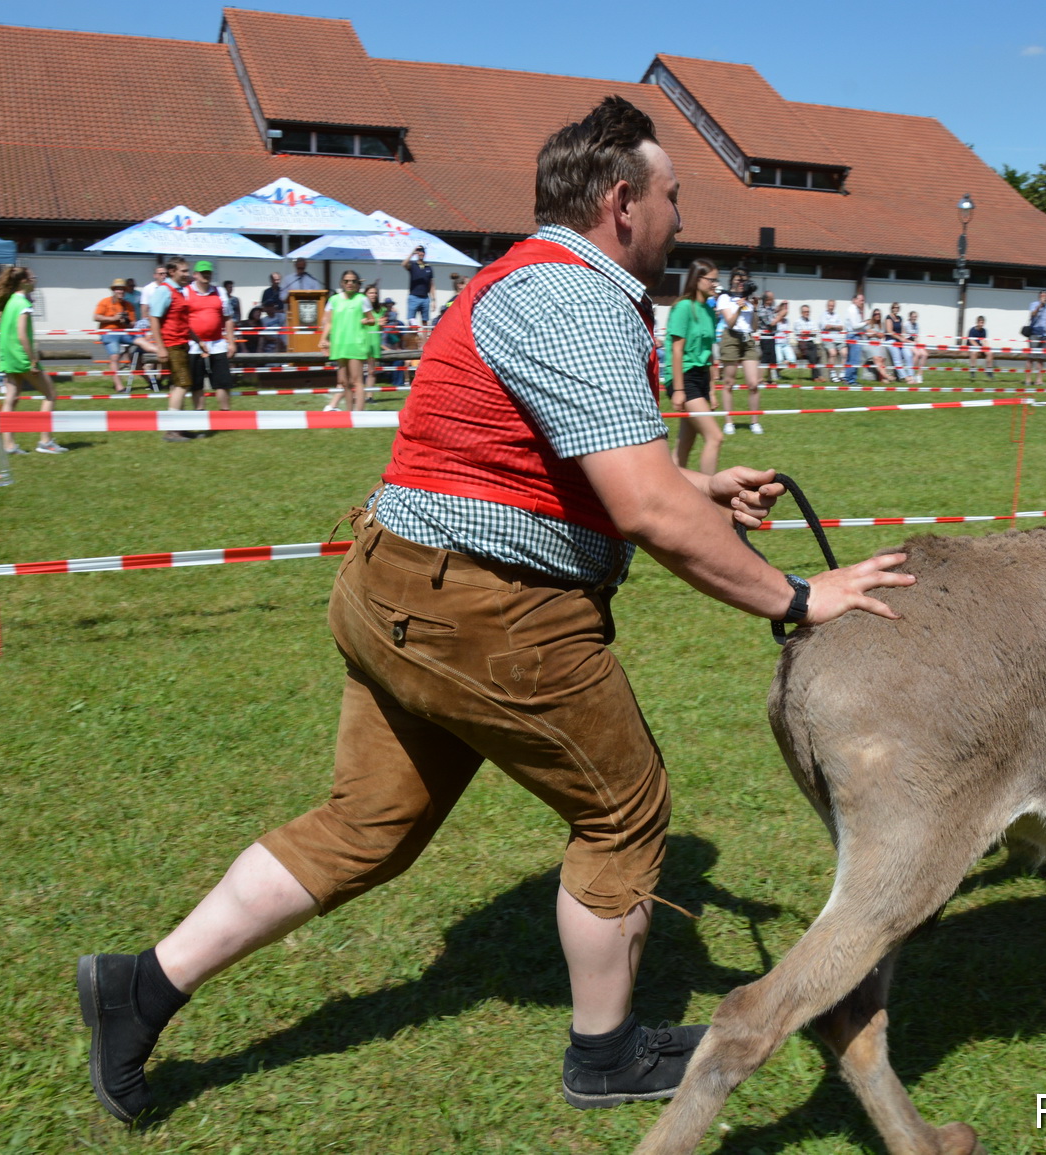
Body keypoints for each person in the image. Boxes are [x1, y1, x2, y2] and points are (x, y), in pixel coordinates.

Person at [75, 95, 914, 1128]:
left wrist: (702, 488)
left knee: (363, 825)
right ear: (621, 203)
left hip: (399, 585)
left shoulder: (522, 280)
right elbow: (642, 506)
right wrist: (797, 592)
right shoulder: (579, 299)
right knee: (623, 810)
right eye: (672, 198)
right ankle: (604, 1057)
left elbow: (556, 465)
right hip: (488, 612)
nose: (679, 220)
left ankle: (140, 988)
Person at [0, 266, 66, 455]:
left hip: (7, 356)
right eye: (33, 278)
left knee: (11, 398)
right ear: (24, 281)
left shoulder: (10, 301)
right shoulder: (23, 303)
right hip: (22, 357)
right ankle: (45, 441)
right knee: (50, 394)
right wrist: (33, 360)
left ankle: (9, 445)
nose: (35, 280)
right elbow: (22, 335)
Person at [667, 257, 723, 474]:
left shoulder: (709, 311)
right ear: (698, 279)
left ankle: (669, 492)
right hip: (684, 377)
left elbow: (708, 354)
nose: (715, 285)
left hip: (701, 378)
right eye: (712, 280)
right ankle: (711, 494)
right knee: (715, 437)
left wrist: (712, 390)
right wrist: (679, 390)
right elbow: (677, 350)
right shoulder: (683, 308)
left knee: (685, 443)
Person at [144, 259, 198, 442]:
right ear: (172, 271)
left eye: (187, 271)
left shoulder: (179, 291)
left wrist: (198, 340)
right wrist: (160, 347)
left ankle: (179, 428)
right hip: (172, 344)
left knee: (177, 385)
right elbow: (154, 319)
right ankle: (172, 430)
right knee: (183, 383)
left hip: (182, 343)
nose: (187, 274)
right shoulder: (164, 291)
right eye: (183, 271)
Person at [319, 270, 377, 411]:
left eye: (353, 281)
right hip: (339, 344)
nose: (349, 284)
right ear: (341, 283)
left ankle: (359, 414)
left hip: (356, 344)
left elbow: (372, 320)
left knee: (356, 381)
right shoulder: (333, 300)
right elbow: (328, 322)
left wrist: (367, 321)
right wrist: (323, 339)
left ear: (357, 284)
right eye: (346, 281)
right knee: (344, 382)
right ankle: (350, 413)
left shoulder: (362, 299)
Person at [182, 261, 235, 412]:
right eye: (203, 272)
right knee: (196, 383)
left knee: (223, 382)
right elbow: (182, 320)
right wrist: (195, 340)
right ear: (195, 275)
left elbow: (228, 318)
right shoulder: (185, 292)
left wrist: (231, 343)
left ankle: (225, 413)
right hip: (194, 345)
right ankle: (199, 414)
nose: (206, 275)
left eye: (208, 272)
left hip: (218, 343)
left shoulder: (220, 292)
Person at [715, 268, 762, 434]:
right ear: (732, 281)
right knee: (729, 382)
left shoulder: (748, 300)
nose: (741, 283)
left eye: (744, 280)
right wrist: (738, 307)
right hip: (731, 338)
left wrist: (754, 309)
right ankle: (729, 422)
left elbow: (754, 327)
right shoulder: (725, 298)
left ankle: (754, 421)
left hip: (748, 339)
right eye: (738, 280)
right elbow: (730, 323)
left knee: (754, 383)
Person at [94, 279, 137, 391]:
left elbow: (133, 324)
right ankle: (119, 385)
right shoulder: (105, 302)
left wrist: (126, 321)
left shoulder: (128, 305)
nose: (120, 291)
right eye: (118, 289)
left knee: (142, 345)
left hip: (124, 332)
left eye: (122, 289)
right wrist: (113, 318)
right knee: (114, 356)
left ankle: (153, 381)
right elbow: (96, 317)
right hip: (109, 333)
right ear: (113, 290)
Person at [1023, 289, 1046, 388]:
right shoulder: (1034, 304)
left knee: (1041, 359)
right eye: (1043, 295)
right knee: (1031, 358)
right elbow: (1032, 314)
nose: (1045, 296)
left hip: (1044, 334)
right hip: (1034, 332)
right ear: (1039, 296)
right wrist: (1040, 305)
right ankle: (1028, 379)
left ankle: (1039, 380)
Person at [403, 246, 434, 328]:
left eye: (422, 252)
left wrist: (433, 300)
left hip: (425, 298)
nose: (421, 253)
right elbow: (403, 264)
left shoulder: (428, 267)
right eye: (419, 251)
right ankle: (412, 340)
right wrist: (412, 253)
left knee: (425, 321)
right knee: (412, 321)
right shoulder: (413, 265)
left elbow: (432, 285)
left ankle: (424, 340)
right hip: (414, 297)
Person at [819, 298, 847, 379]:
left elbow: (841, 327)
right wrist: (835, 327)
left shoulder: (837, 315)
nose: (831, 307)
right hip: (828, 338)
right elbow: (826, 327)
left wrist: (832, 326)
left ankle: (842, 372)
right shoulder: (823, 315)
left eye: (833, 306)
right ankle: (832, 373)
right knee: (833, 353)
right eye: (830, 305)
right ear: (827, 306)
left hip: (838, 338)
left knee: (845, 353)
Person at [842, 292, 867, 384]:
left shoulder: (855, 310)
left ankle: (847, 378)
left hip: (853, 335)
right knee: (855, 359)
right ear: (855, 300)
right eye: (861, 300)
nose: (862, 302)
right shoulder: (852, 310)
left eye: (863, 300)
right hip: (853, 336)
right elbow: (855, 326)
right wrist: (866, 323)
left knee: (850, 359)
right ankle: (851, 380)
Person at [793, 303, 821, 380]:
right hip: (802, 343)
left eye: (808, 311)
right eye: (805, 311)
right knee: (812, 355)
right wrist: (809, 332)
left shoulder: (812, 321)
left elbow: (815, 332)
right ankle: (816, 376)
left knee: (815, 353)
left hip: (811, 342)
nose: (807, 313)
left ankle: (816, 376)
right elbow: (801, 334)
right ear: (801, 313)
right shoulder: (797, 322)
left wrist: (807, 333)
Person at [907, 311, 927, 382]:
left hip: (915, 342)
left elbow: (917, 336)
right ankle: (911, 374)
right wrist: (912, 342)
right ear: (910, 317)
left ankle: (919, 374)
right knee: (917, 354)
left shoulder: (917, 325)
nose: (914, 318)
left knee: (925, 354)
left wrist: (917, 341)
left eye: (915, 317)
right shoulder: (906, 324)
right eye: (913, 316)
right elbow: (904, 338)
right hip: (908, 343)